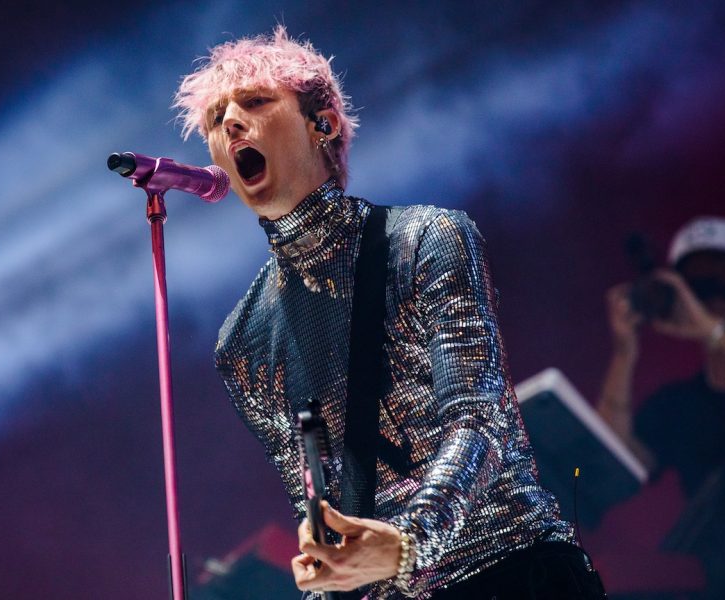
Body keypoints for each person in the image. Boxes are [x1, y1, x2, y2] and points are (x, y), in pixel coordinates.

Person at [174, 27, 605, 599]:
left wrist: (408, 544)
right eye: (214, 119)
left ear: (321, 123)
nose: (229, 123)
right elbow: (316, 502)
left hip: (510, 570)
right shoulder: (241, 342)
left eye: (255, 102)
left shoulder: (425, 237)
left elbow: (481, 421)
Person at [597, 216, 725, 598]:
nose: (715, 297)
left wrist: (713, 328)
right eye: (701, 284)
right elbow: (611, 463)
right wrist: (624, 353)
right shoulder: (677, 404)